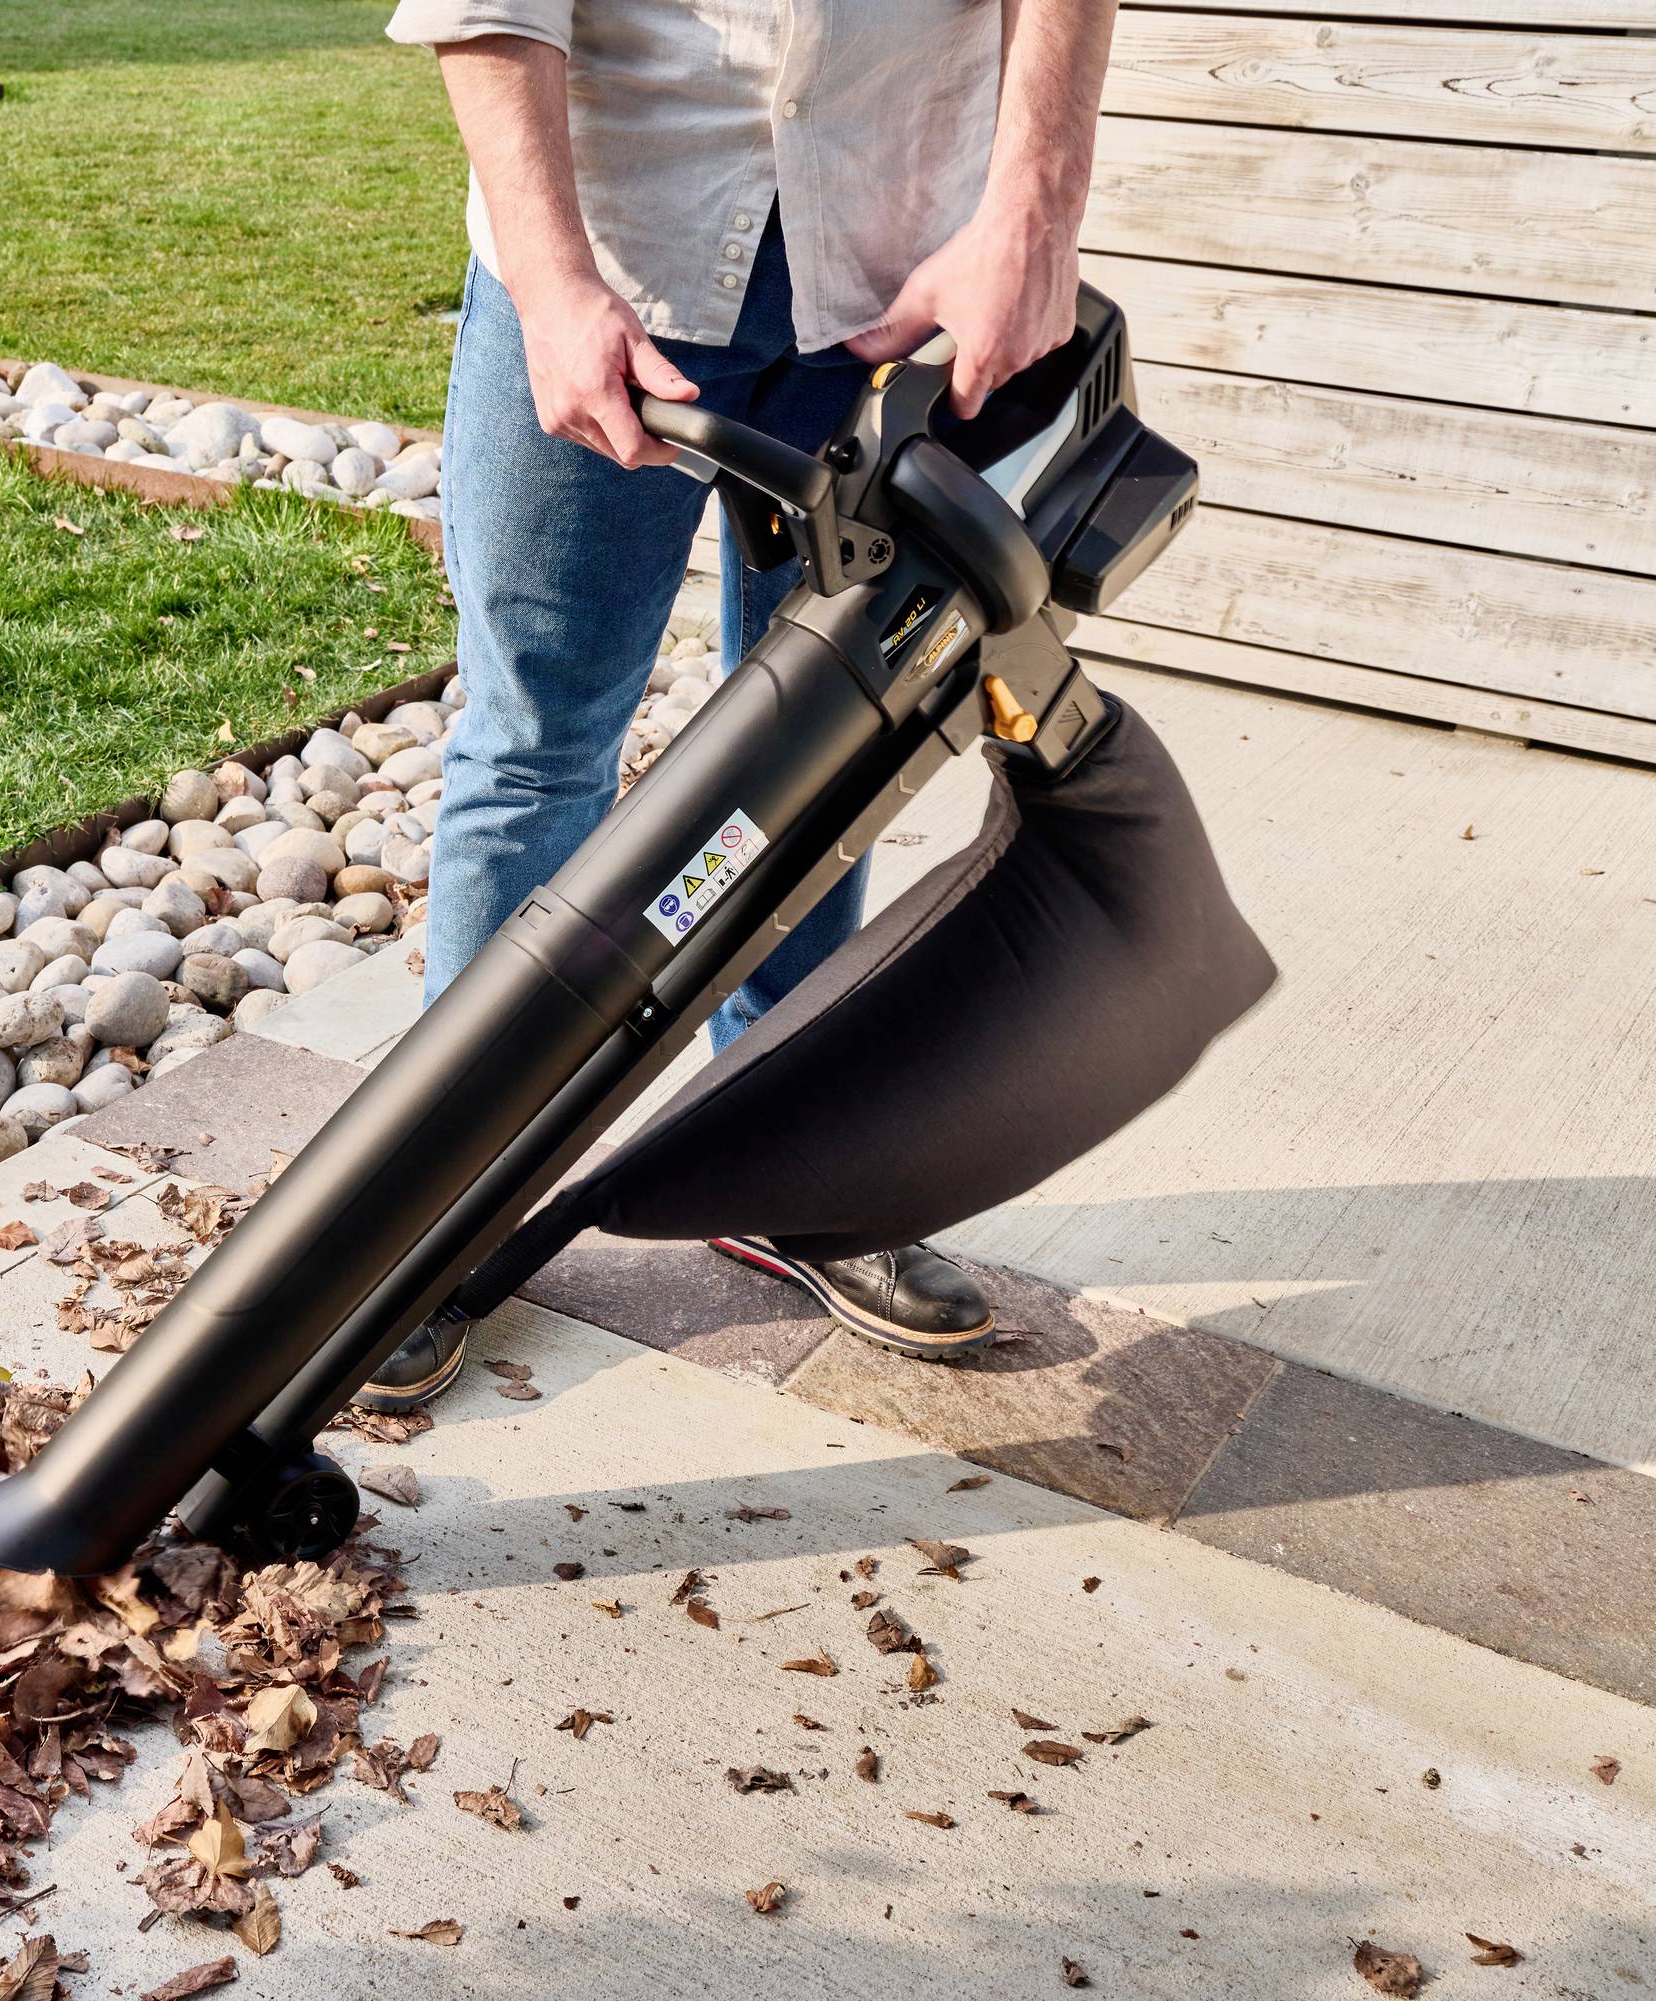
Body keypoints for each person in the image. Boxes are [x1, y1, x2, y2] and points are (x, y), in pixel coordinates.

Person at [358, 0, 1121, 1408]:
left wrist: (1033, 213)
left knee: (832, 752)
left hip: (889, 273)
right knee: (537, 744)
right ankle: (423, 1207)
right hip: (618, 261)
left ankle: (794, 1165)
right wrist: (548, 280)